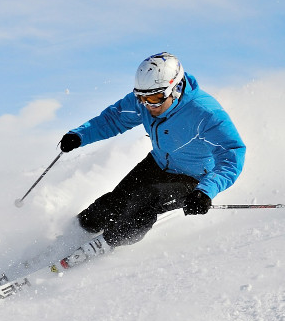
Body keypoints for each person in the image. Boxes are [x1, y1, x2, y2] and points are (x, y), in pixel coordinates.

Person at [59, 52, 245, 248]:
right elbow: (113, 119)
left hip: (193, 178)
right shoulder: (146, 98)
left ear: (176, 87)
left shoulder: (205, 114)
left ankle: (108, 244)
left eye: (155, 98)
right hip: (157, 163)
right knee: (115, 202)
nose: (148, 105)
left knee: (147, 200)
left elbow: (232, 154)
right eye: (142, 98)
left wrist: (206, 191)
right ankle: (72, 234)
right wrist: (80, 135)